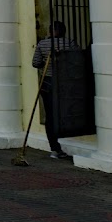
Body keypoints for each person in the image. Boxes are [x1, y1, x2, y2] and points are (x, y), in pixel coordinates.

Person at [33, 20, 81, 160]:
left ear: (50, 31)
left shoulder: (42, 44)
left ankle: (54, 147)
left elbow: (35, 63)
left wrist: (45, 63)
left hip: (48, 82)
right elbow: (78, 59)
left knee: (50, 116)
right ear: (64, 31)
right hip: (66, 83)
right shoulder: (70, 43)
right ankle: (63, 140)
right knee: (67, 112)